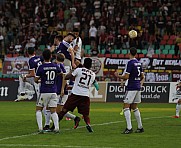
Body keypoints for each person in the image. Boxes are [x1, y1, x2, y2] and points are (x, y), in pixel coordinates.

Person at [56, 58, 99, 132]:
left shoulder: (79, 70)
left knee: (64, 110)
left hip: (76, 94)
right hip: (85, 95)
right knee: (85, 114)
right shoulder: (93, 74)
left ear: (84, 63)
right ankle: (88, 124)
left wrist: (73, 71)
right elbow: (96, 86)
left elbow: (67, 77)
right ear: (91, 65)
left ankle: (54, 126)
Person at [45, 53, 80, 130]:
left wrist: (62, 89)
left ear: (56, 58)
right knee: (59, 110)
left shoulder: (59, 66)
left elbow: (64, 77)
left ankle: (51, 126)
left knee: (55, 110)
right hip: (60, 90)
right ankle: (75, 118)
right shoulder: (61, 66)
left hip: (60, 91)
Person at [114, 47, 144, 134]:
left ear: (129, 53)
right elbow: (142, 76)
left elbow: (126, 76)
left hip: (131, 87)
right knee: (134, 107)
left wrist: (118, 76)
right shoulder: (138, 63)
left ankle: (129, 128)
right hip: (138, 86)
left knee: (126, 107)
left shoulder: (130, 63)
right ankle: (140, 127)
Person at [34, 49, 61, 133]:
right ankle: (56, 128)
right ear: (51, 56)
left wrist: (41, 80)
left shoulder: (41, 67)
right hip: (53, 91)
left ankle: (40, 128)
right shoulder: (56, 66)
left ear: (43, 57)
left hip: (44, 91)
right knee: (53, 110)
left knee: (38, 109)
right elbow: (59, 74)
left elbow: (35, 79)